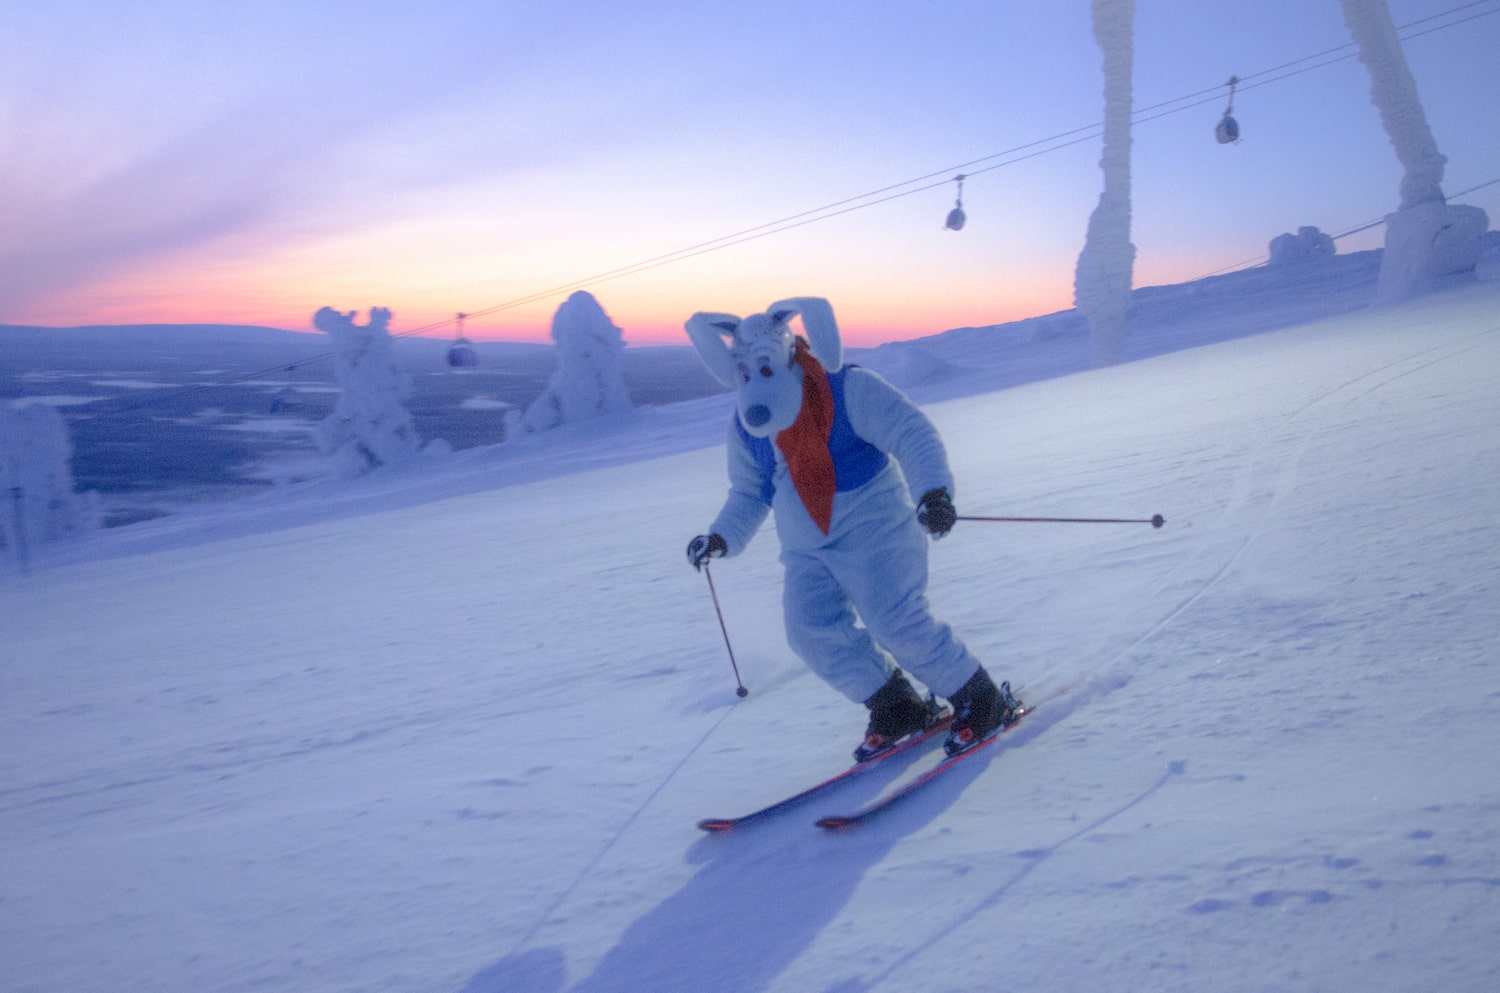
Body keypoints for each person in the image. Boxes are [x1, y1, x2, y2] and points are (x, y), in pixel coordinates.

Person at [683, 296, 1017, 759]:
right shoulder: (747, 427)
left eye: (762, 369)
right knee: (809, 629)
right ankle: (895, 703)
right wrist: (720, 537)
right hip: (806, 550)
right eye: (743, 374)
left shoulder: (846, 389)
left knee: (895, 621)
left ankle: (980, 699)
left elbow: (910, 431)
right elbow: (749, 491)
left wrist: (933, 493)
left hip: (874, 530)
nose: (753, 386)